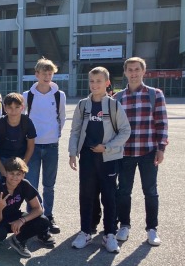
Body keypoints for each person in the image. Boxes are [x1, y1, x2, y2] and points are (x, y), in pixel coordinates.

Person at [68, 67, 131, 253]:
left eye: (99, 81)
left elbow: (125, 131)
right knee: (86, 195)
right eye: (92, 81)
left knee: (109, 196)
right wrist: (73, 153)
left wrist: (108, 147)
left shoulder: (114, 105)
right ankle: (85, 232)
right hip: (87, 157)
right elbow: (75, 131)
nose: (95, 85)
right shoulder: (82, 105)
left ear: (107, 83)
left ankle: (109, 235)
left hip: (109, 158)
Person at [114, 57, 169, 246]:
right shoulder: (118, 97)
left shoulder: (155, 95)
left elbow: (161, 123)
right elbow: (114, 127)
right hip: (125, 153)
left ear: (143, 71)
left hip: (148, 151)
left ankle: (152, 229)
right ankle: (124, 225)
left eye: (137, 69)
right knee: (123, 191)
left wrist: (161, 148)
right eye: (130, 70)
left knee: (150, 191)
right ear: (125, 72)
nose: (134, 73)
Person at [23, 58, 67, 234]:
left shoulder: (59, 95)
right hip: (32, 146)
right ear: (37, 75)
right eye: (44, 73)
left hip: (51, 146)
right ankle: (32, 217)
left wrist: (54, 134)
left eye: (50, 73)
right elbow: (23, 117)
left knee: (49, 185)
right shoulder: (28, 95)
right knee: (31, 184)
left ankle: (48, 216)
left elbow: (62, 117)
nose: (47, 76)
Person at [0, 157, 53, 258]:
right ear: (6, 173)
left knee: (43, 221)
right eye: (11, 173)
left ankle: (18, 240)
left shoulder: (24, 184)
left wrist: (22, 220)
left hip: (13, 215)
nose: (15, 177)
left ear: (23, 175)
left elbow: (38, 209)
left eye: (18, 174)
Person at [0, 93, 37, 181]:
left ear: (22, 107)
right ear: (4, 108)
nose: (13, 111)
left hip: (22, 158)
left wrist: (23, 167)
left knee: (25, 190)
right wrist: (3, 171)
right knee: (1, 191)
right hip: (2, 159)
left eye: (17, 107)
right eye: (10, 107)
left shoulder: (27, 122)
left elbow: (31, 147)